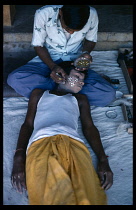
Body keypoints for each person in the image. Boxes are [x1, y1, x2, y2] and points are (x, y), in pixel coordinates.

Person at [11, 61, 113, 205]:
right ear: (62, 76)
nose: (81, 83)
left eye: (82, 80)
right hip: (41, 143)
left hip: (73, 144)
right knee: (48, 194)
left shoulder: (80, 99)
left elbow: (89, 128)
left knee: (87, 194)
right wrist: (18, 158)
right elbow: (28, 125)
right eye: (77, 77)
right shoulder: (39, 94)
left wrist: (103, 159)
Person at [7, 5, 116, 107]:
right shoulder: (44, 13)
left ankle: (59, 89)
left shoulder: (91, 13)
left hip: (74, 62)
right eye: (68, 29)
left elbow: (91, 40)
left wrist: (85, 53)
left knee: (108, 95)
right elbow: (38, 45)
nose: (72, 33)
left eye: (76, 31)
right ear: (60, 13)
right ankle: (66, 88)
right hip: (48, 60)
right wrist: (52, 67)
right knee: (14, 79)